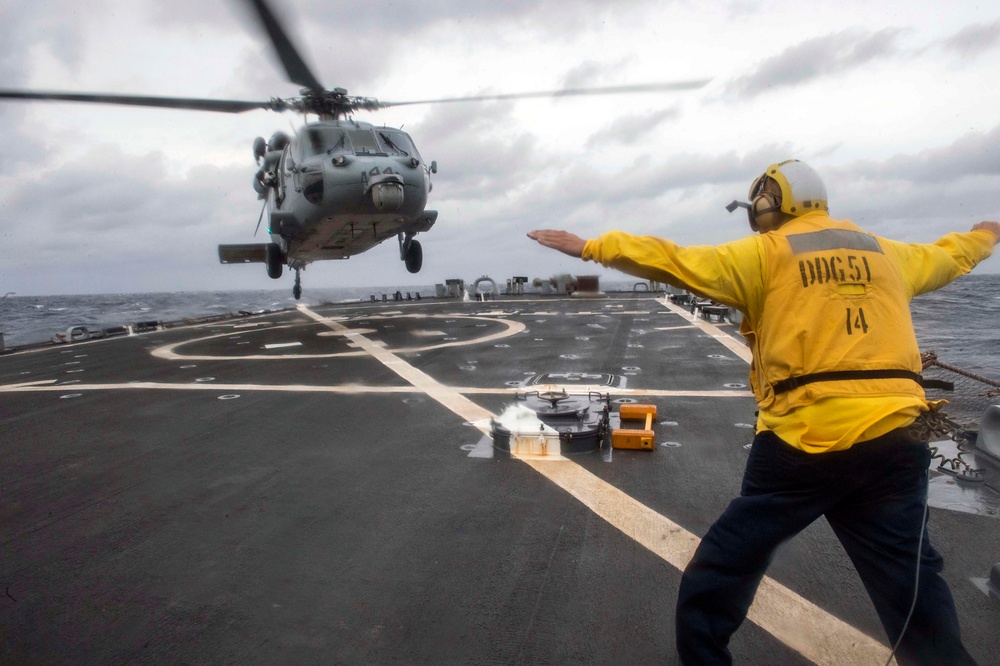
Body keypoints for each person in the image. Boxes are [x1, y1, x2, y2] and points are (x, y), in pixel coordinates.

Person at [527, 159, 999, 666]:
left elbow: (675, 260)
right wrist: (984, 236)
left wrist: (595, 247)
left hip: (803, 444)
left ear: (769, 204)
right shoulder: (887, 252)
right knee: (913, 588)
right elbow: (950, 256)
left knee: (720, 574)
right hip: (898, 440)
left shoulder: (767, 253)